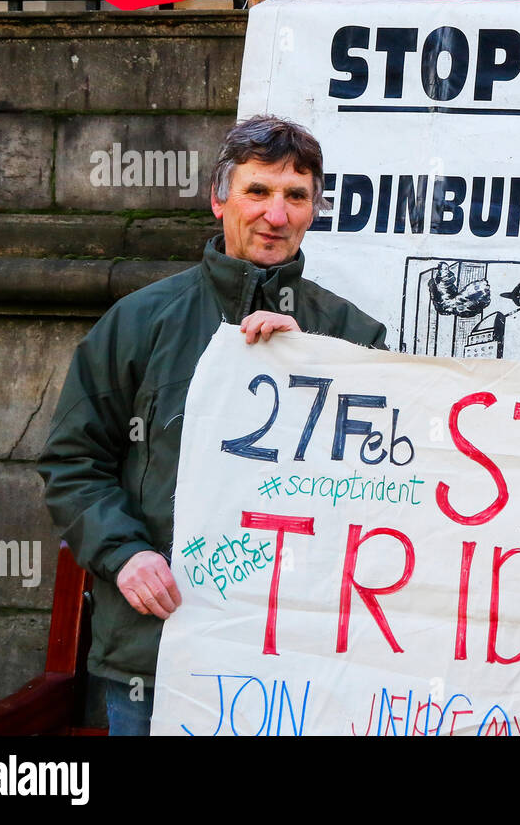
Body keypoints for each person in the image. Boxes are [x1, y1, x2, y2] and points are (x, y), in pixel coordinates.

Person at [37, 115, 387, 735]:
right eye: (258, 191)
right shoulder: (140, 322)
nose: (275, 216)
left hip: (300, 661)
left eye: (295, 196)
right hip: (158, 651)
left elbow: (382, 487)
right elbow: (72, 461)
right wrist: (125, 554)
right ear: (219, 199)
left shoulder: (353, 335)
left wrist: (318, 366)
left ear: (314, 210)